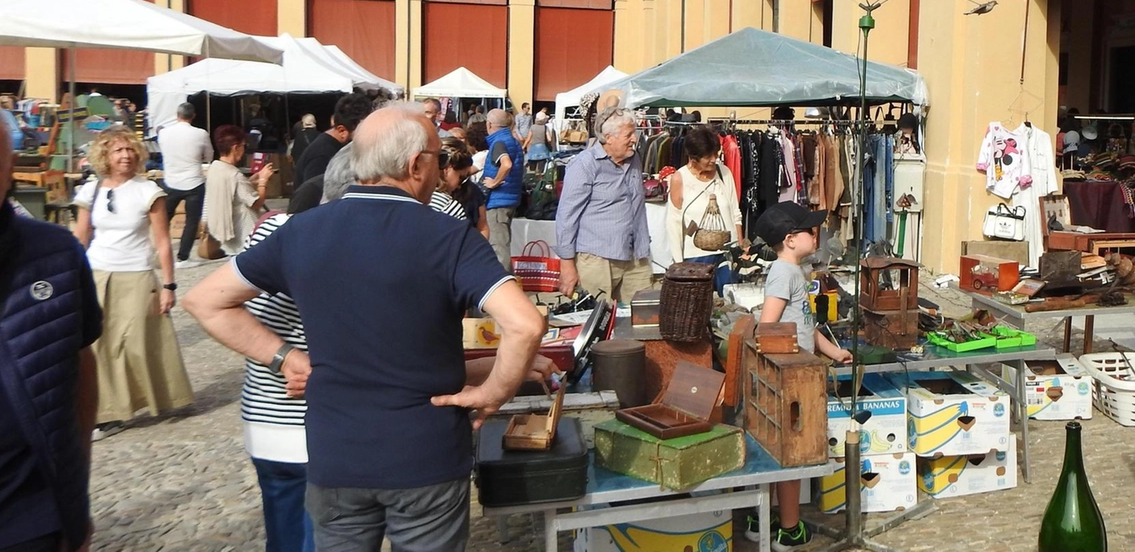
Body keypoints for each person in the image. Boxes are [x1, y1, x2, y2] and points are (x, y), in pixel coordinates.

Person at [185, 103, 546, 551]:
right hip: (425, 455)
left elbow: (204, 300)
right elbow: (526, 324)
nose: (442, 170)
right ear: (415, 164)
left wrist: (285, 358)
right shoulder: (448, 235)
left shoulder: (301, 231)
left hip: (337, 455)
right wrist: (494, 393)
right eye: (437, 158)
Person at [237, 147, 356, 552]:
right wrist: (286, 356)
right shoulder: (335, 241)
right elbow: (206, 301)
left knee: (285, 535)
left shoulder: (278, 228)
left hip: (266, 415)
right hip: (312, 419)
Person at [0, 113, 103, 552]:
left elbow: (80, 365)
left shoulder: (55, 253)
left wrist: (72, 495)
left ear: (8, 167)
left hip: (30, 512)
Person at [71, 125, 194, 438]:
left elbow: (163, 241)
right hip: (97, 274)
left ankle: (158, 397)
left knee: (133, 344)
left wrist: (168, 285)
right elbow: (81, 236)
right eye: (117, 150)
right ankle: (109, 413)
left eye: (129, 150)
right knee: (99, 345)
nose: (125, 156)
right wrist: (69, 275)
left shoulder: (148, 191)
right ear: (105, 156)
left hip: (137, 275)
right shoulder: (91, 190)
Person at [747, 201, 852, 547]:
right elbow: (768, 326)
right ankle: (790, 530)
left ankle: (763, 518)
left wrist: (833, 351)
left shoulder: (796, 272)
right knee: (792, 453)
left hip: (801, 371)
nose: (815, 233)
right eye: (810, 230)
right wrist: (790, 363)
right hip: (792, 378)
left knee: (785, 451)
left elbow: (805, 323)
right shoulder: (784, 273)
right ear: (791, 240)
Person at [554, 109, 651, 302]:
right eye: (628, 135)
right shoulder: (585, 165)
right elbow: (566, 216)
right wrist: (567, 265)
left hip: (635, 256)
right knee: (597, 321)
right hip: (596, 260)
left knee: (643, 316)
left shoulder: (634, 159)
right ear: (609, 138)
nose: (634, 139)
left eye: (635, 133)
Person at [666, 125, 743, 284]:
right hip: (695, 256)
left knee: (731, 301)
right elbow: (674, 222)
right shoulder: (680, 178)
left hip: (727, 253)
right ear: (693, 158)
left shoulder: (724, 173)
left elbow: (735, 212)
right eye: (708, 156)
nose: (714, 159)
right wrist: (679, 263)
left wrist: (739, 247)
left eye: (715, 154)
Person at [203, 125, 275, 258]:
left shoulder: (215, 168)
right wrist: (263, 181)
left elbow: (232, 189)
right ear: (235, 148)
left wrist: (252, 180)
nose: (244, 150)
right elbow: (256, 202)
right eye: (243, 145)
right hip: (243, 232)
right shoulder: (235, 175)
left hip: (224, 231)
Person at [157, 103, 213, 269]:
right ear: (193, 116)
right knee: (191, 221)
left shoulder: (164, 133)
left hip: (171, 180)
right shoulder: (201, 133)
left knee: (164, 219)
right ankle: (183, 257)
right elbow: (209, 155)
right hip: (194, 181)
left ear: (177, 115)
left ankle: (159, 252)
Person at [292, 92, 375, 189]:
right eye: (364, 130)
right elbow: (313, 193)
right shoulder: (322, 155)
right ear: (342, 131)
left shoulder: (331, 147)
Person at [480, 108, 525, 264]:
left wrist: (495, 182)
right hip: (510, 198)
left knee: (499, 248)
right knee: (502, 244)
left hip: (498, 201)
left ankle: (503, 286)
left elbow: (506, 164)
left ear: (489, 124)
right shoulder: (513, 140)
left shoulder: (498, 142)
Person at [439, 141, 488, 239]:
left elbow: (482, 226)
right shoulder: (447, 206)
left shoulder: (472, 192)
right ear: (447, 169)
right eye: (461, 177)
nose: (460, 185)